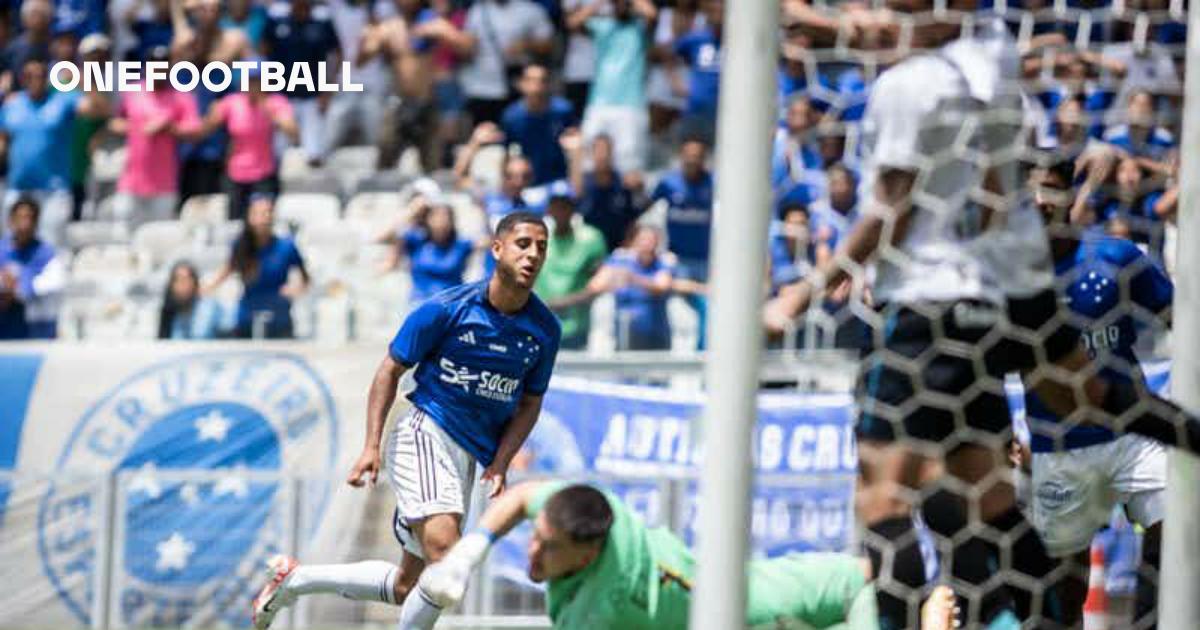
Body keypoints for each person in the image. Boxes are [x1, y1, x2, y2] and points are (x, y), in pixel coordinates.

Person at [248, 211, 561, 630]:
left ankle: (295, 580)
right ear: (497, 249)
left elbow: (530, 402)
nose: (533, 254)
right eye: (524, 243)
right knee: (446, 562)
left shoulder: (544, 330)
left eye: (541, 247)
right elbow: (389, 370)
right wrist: (371, 446)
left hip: (467, 455)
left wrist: (502, 461)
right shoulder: (446, 309)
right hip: (426, 432)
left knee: (407, 586)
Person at [414, 480, 962, 630]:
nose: (532, 550)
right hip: (772, 589)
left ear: (587, 555)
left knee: (873, 575)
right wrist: (467, 556)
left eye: (548, 547)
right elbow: (519, 498)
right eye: (537, 536)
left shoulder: (602, 610)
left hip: (794, 603)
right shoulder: (595, 512)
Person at [1022, 159, 1172, 626]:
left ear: (1071, 196)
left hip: (1134, 433)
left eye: (1051, 189)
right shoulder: (1006, 277)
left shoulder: (1116, 256)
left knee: (1177, 534)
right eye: (1031, 192)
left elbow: (1177, 314)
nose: (1040, 201)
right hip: (1060, 448)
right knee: (1063, 588)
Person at [0, 57, 90, 248]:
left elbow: (99, 110)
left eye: (40, 75)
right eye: (28, 76)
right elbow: (3, 140)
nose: (34, 80)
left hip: (53, 191)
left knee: (52, 248)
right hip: (18, 190)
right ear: (22, 79)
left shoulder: (64, 100)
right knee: (12, 249)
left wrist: (84, 82)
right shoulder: (11, 105)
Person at [109, 45, 201, 229]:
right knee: (125, 237)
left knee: (159, 237)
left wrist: (169, 128)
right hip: (131, 182)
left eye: (163, 66)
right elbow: (115, 123)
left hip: (163, 184)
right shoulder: (133, 91)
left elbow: (195, 130)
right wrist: (137, 128)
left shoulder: (181, 96)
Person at [193, 67, 298, 221]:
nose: (253, 86)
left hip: (263, 174)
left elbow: (293, 131)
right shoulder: (231, 102)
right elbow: (205, 129)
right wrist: (211, 114)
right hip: (235, 174)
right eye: (250, 81)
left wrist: (273, 115)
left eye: (257, 81)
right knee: (234, 222)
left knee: (262, 221)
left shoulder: (275, 102)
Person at [204, 194, 309, 339]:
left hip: (279, 318)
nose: (263, 218)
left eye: (267, 212)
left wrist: (296, 289)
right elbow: (227, 270)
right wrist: (207, 287)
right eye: (258, 213)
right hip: (246, 319)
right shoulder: (240, 246)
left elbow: (305, 279)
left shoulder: (286, 246)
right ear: (249, 216)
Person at [571, 0, 656, 174]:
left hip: (631, 104)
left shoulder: (640, 28)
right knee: (588, 160)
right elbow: (573, 23)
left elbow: (652, 14)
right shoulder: (602, 25)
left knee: (629, 163)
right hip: (598, 102)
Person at [648, 137, 712, 350]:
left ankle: (705, 356)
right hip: (678, 261)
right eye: (689, 155)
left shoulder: (714, 183)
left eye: (697, 156)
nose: (693, 160)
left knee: (709, 308)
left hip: (706, 261)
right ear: (681, 157)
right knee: (691, 309)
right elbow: (645, 212)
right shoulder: (668, 184)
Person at [260, 0, 340, 167]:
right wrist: (267, 90)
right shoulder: (277, 19)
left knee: (314, 153)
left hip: (313, 97)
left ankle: (316, 190)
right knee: (277, 152)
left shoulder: (322, 21)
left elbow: (336, 55)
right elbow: (263, 51)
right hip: (282, 97)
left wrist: (328, 90)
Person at [533, 182, 608, 350]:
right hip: (540, 327)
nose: (560, 210)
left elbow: (600, 283)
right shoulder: (537, 238)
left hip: (576, 328)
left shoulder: (591, 239)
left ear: (574, 208)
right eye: (556, 205)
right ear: (548, 209)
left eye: (565, 205)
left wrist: (567, 301)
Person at [376, 195, 477, 305]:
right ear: (427, 219)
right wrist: (412, 210)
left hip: (452, 307)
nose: (441, 221)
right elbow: (381, 237)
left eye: (446, 217)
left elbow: (492, 242)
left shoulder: (462, 244)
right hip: (420, 304)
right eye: (436, 216)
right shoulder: (416, 241)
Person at [587, 224, 673, 351]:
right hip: (626, 332)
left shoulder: (662, 263)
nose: (647, 244)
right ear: (633, 241)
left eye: (651, 240)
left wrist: (633, 279)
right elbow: (594, 286)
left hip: (656, 332)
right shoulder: (620, 261)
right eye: (643, 239)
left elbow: (662, 286)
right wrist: (614, 279)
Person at [498, 64, 578, 186]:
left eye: (542, 80)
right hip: (526, 182)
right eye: (531, 80)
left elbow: (576, 147)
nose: (537, 86)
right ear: (521, 84)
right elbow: (506, 154)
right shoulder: (511, 116)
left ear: (549, 84)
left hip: (559, 181)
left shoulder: (564, 111)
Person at [0, 197, 64, 340]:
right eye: (20, 217)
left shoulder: (47, 253)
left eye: (29, 218)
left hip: (37, 329)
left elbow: (55, 282)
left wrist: (18, 289)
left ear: (36, 222)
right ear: (11, 220)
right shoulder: (1, 249)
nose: (25, 223)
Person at [158, 261, 224, 339]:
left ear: (195, 282)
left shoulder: (210, 308)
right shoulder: (169, 312)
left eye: (185, 279)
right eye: (176, 280)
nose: (181, 285)